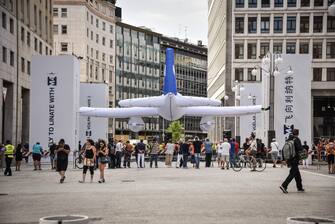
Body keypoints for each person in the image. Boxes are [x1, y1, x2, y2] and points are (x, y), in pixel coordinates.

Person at [280, 129, 305, 193]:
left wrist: (283, 159)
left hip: (289, 159)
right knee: (292, 173)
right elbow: (300, 149)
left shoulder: (289, 140)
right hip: (295, 159)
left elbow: (283, 149)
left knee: (297, 174)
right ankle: (284, 185)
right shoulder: (297, 139)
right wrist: (304, 152)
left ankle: (299, 187)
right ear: (298, 133)